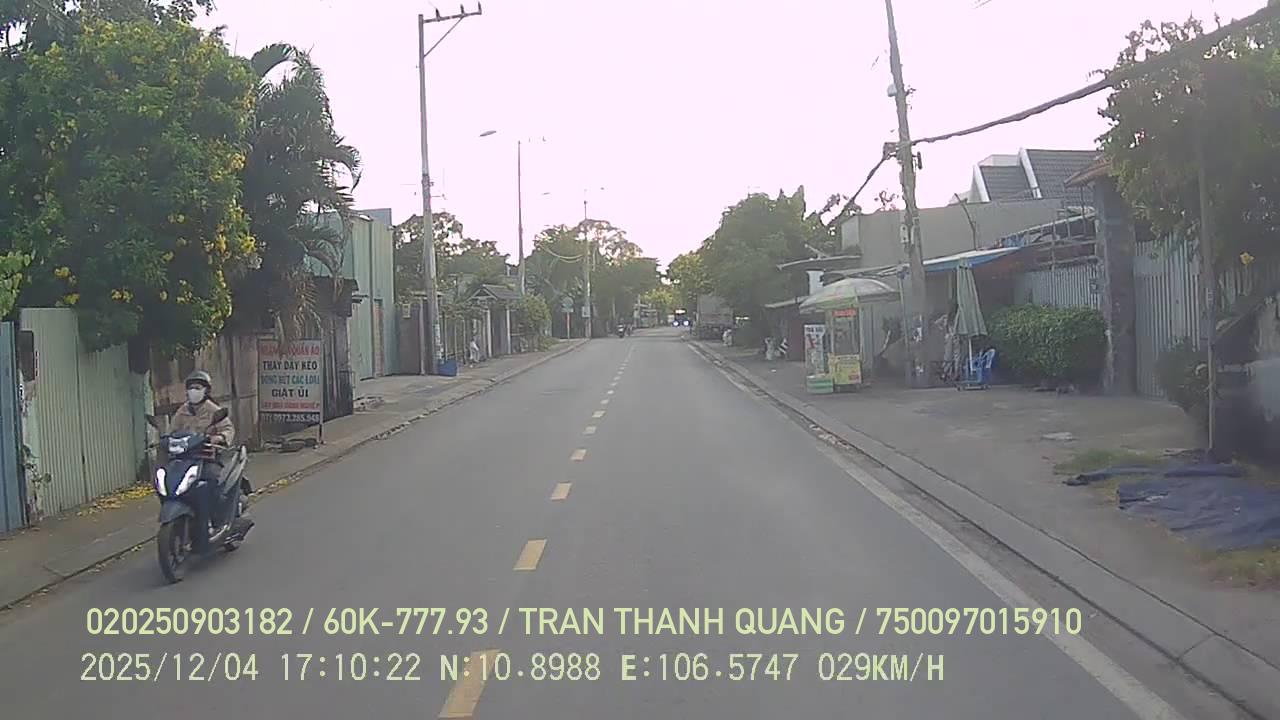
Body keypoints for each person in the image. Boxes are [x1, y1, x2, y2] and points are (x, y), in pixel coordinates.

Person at [172, 370, 235, 447]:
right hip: (186, 449)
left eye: (197, 388)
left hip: (208, 449)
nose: (193, 391)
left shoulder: (214, 410)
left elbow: (228, 429)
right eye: (191, 388)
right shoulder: (182, 411)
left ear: (206, 391)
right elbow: (172, 432)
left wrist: (220, 437)